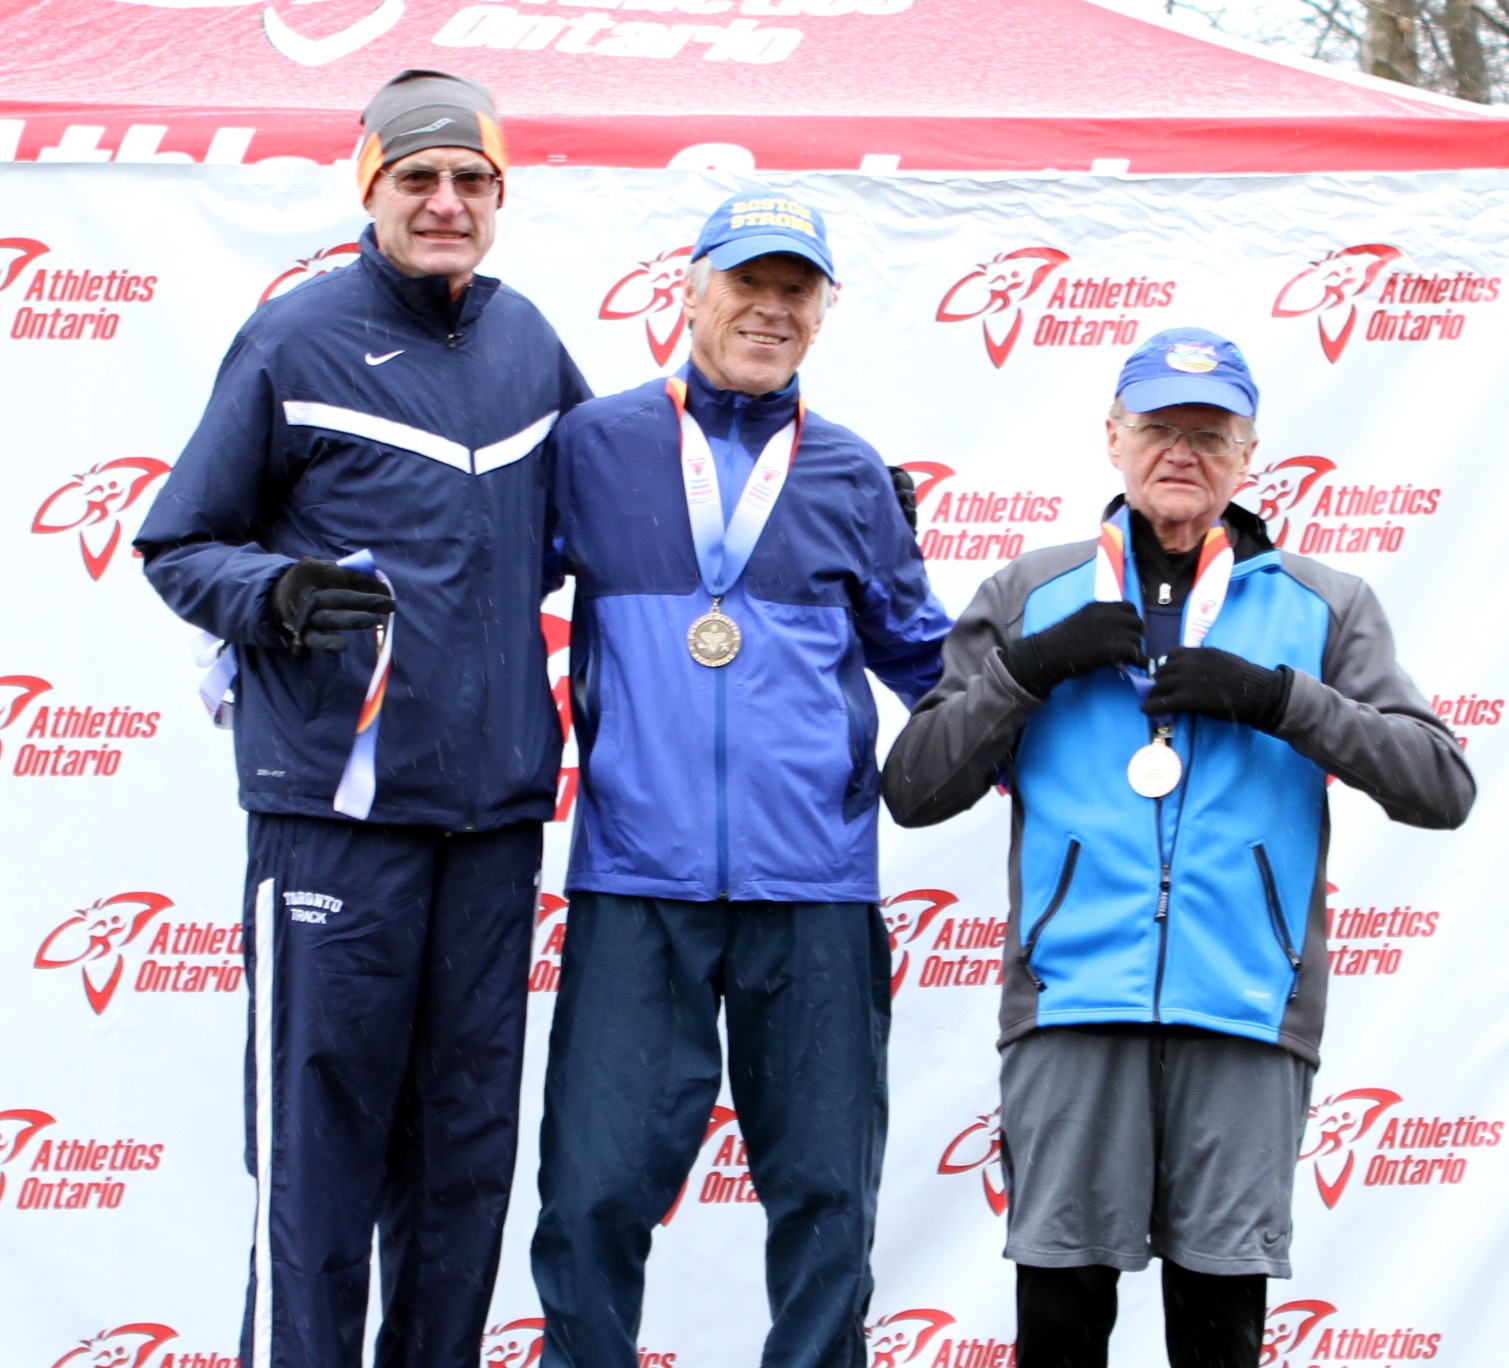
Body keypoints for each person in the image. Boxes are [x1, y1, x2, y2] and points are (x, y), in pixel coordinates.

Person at [881, 327, 1474, 1368]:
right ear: (1112, 437)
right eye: (1158, 427)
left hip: (1245, 1007)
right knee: (1060, 1319)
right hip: (1071, 1005)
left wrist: (1280, 699)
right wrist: (1029, 671)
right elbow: (916, 787)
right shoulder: (1030, 594)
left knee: (1218, 1326)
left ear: (1250, 456)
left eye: (1210, 435)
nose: (1181, 453)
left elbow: (1441, 787)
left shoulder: (1324, 604)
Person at [134, 70, 591, 1368]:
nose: (445, 203)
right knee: (318, 1160)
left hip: (492, 825)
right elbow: (178, 542)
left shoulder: (527, 341)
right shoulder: (296, 338)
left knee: (462, 1168)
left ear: (499, 196)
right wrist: (271, 592)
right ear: (370, 190)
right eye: (417, 178)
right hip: (336, 822)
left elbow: (621, 506)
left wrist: (826, 504)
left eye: (470, 181)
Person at [530, 193, 952, 1368]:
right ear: (691, 289)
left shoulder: (851, 471)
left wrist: (1061, 721)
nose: (770, 309)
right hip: (636, 879)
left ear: (824, 310)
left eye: (794, 290)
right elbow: (488, 589)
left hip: (814, 888)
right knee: (594, 1192)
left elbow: (926, 660)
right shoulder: (595, 444)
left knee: (826, 1198)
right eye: (747, 283)